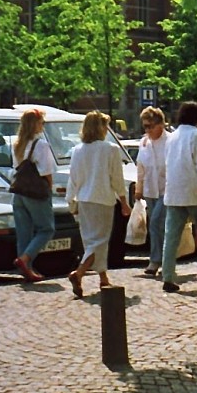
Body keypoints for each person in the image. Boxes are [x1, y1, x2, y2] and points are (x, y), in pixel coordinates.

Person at [64, 111, 130, 298]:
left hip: (84, 199)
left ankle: (103, 276)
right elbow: (117, 179)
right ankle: (80, 273)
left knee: (91, 240)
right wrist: (124, 202)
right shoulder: (110, 149)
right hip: (103, 199)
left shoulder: (78, 150)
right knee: (100, 241)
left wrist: (71, 200)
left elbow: (74, 178)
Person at [161, 101, 197, 292]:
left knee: (171, 237)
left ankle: (168, 275)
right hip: (193, 192)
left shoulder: (172, 136)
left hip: (174, 192)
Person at [10, 108, 56, 282]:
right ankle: (25, 259)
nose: (42, 125)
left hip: (18, 191)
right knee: (46, 229)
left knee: (24, 232)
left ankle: (26, 270)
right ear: (35, 124)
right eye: (41, 122)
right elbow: (46, 171)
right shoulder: (40, 145)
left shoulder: (17, 144)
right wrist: (49, 190)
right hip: (35, 192)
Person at [134, 107, 169, 278]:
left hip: (167, 189)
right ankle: (163, 260)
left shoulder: (170, 141)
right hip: (150, 190)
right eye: (145, 127)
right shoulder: (144, 142)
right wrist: (139, 188)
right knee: (156, 226)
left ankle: (156, 261)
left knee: (156, 223)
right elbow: (141, 167)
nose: (147, 130)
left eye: (150, 126)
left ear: (161, 124)